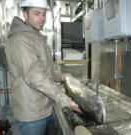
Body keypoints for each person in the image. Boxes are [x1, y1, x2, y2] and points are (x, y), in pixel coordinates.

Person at [5, 0, 81, 135]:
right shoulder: (20, 40)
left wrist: (60, 76)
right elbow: (35, 76)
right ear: (25, 15)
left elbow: (44, 69)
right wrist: (65, 101)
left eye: (44, 14)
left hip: (46, 106)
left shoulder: (35, 37)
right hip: (32, 112)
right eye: (37, 13)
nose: (42, 18)